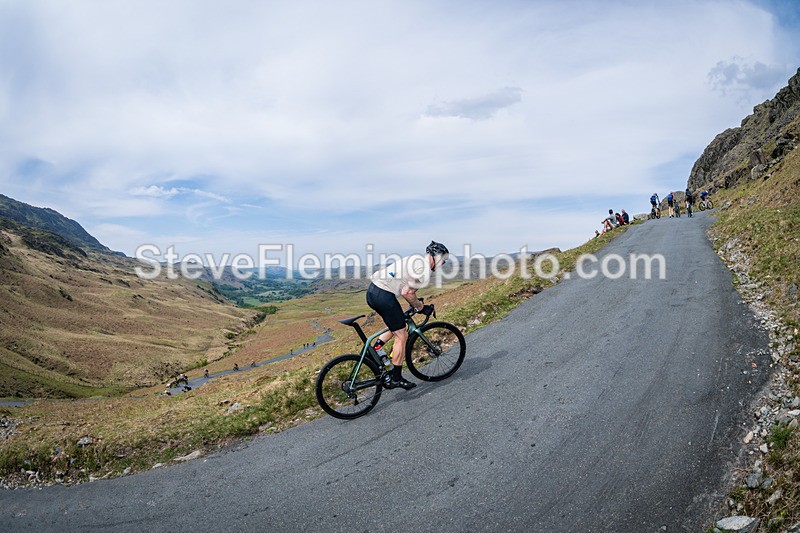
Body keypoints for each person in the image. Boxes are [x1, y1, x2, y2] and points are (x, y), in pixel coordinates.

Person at [366, 241, 447, 390]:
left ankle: (377, 348)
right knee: (402, 335)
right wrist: (421, 308)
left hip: (373, 292)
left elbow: (407, 287)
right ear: (436, 256)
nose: (443, 264)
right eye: (443, 260)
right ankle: (396, 378)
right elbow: (407, 292)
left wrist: (415, 303)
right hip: (383, 295)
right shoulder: (424, 269)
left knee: (398, 324)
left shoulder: (416, 260)